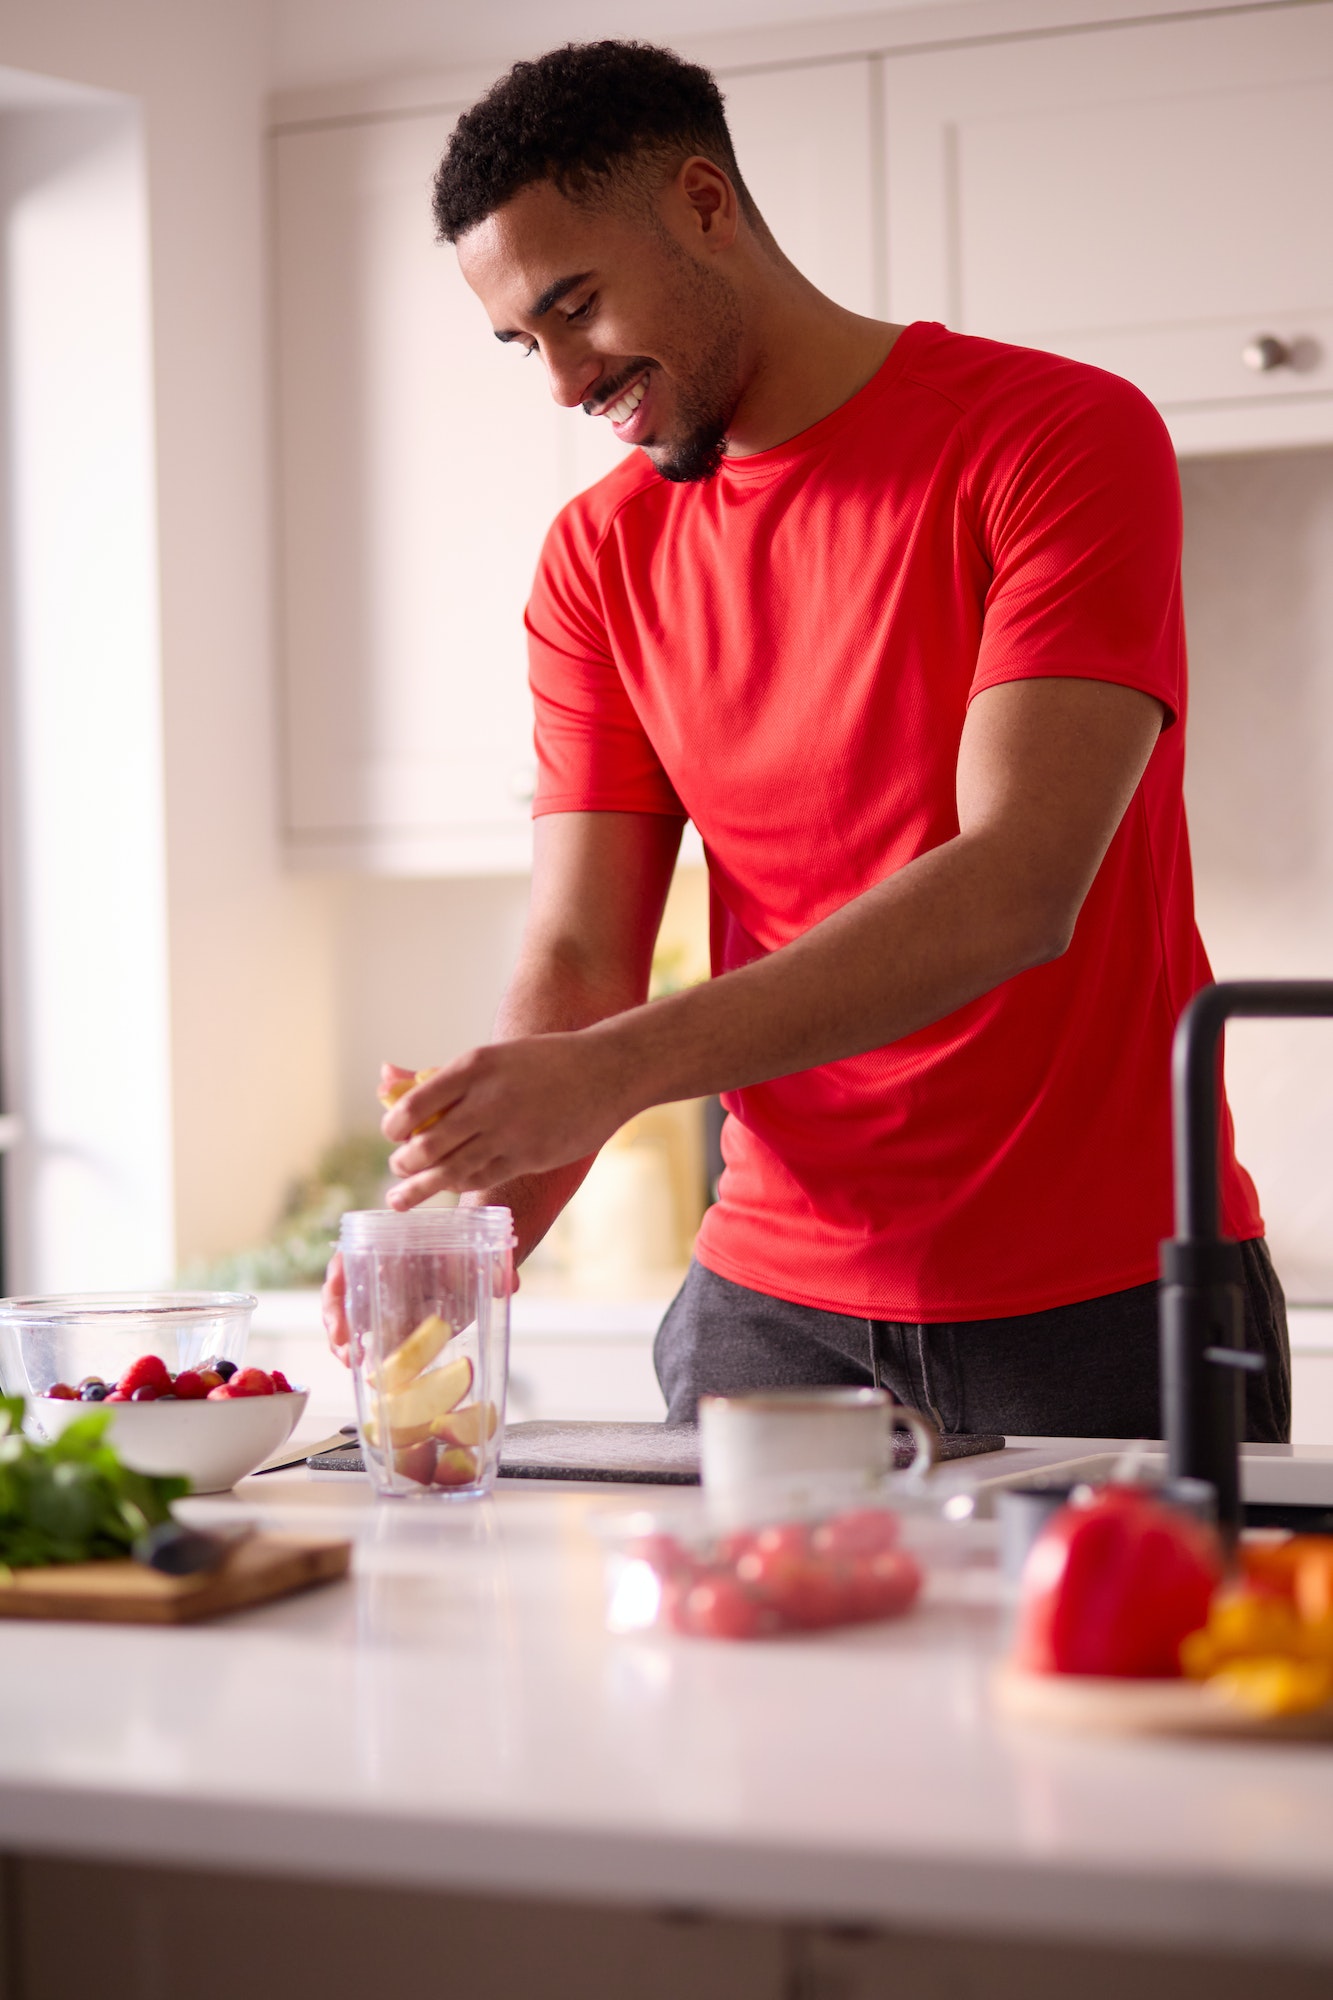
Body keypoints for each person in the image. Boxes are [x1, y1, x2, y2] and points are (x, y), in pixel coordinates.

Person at [324, 39, 1289, 1442]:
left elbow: (1016, 884)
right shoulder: (599, 557)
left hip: (1099, 1298)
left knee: (1131, 1671)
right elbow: (584, 953)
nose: (558, 380)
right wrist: (472, 1227)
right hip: (766, 1312)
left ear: (705, 203)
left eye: (573, 305)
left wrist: (599, 1076)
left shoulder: (1054, 439)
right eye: (521, 341)